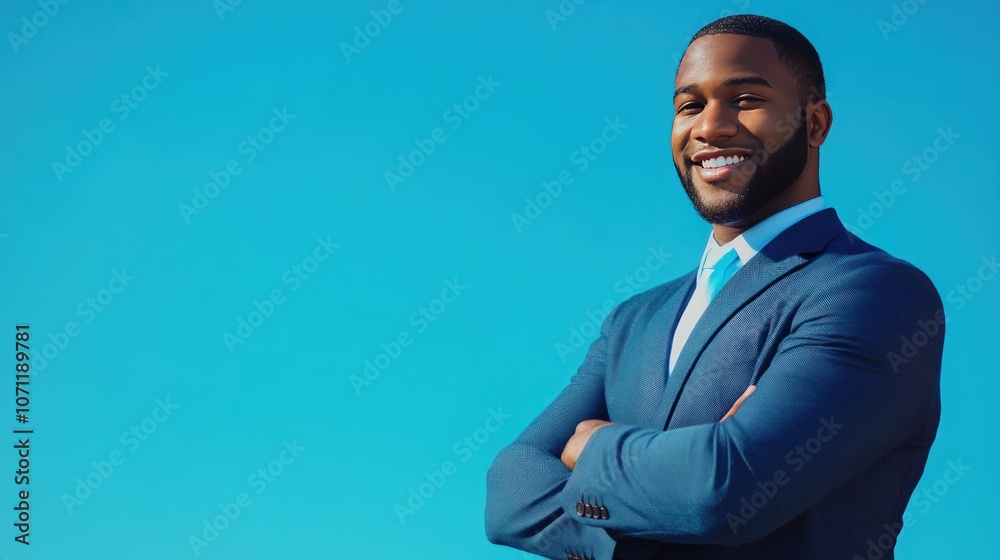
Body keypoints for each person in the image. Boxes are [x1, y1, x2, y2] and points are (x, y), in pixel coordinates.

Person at [485, 14, 944, 560]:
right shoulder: (634, 319)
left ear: (816, 123)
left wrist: (592, 447)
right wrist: (680, 472)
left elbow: (727, 490)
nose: (710, 126)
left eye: (746, 98)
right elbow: (508, 492)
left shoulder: (874, 292)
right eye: (689, 106)